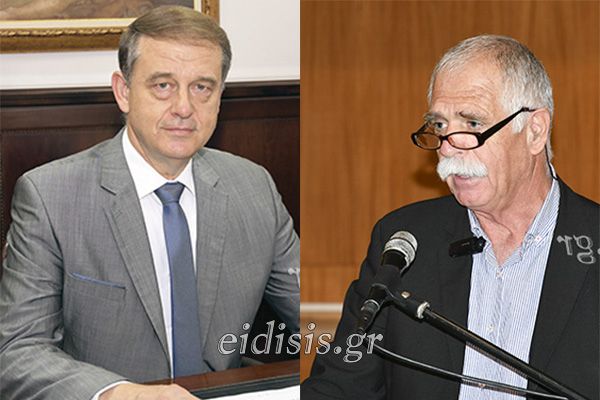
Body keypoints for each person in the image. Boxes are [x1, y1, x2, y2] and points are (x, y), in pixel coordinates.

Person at [0, 6, 299, 400]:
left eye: (202, 87)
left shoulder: (253, 186)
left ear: (219, 97)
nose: (184, 107)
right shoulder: (51, 196)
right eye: (163, 85)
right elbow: (17, 352)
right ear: (123, 92)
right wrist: (123, 394)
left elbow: (321, 315)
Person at [301, 35, 598, 399]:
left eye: (472, 124)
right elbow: (340, 386)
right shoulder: (403, 243)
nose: (448, 148)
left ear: (535, 131)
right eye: (440, 126)